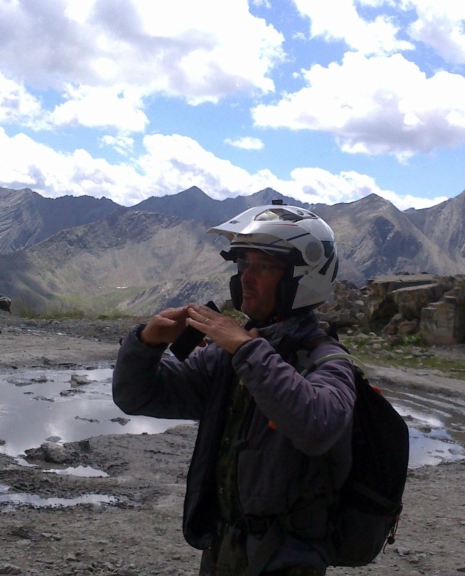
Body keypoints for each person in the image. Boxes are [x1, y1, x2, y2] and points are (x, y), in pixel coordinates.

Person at [113, 202, 356, 576]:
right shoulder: (228, 359)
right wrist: (147, 343)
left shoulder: (327, 360)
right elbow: (138, 396)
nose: (246, 278)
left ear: (302, 278)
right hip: (222, 547)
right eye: (243, 265)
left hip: (286, 559)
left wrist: (245, 348)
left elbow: (317, 425)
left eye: (263, 267)